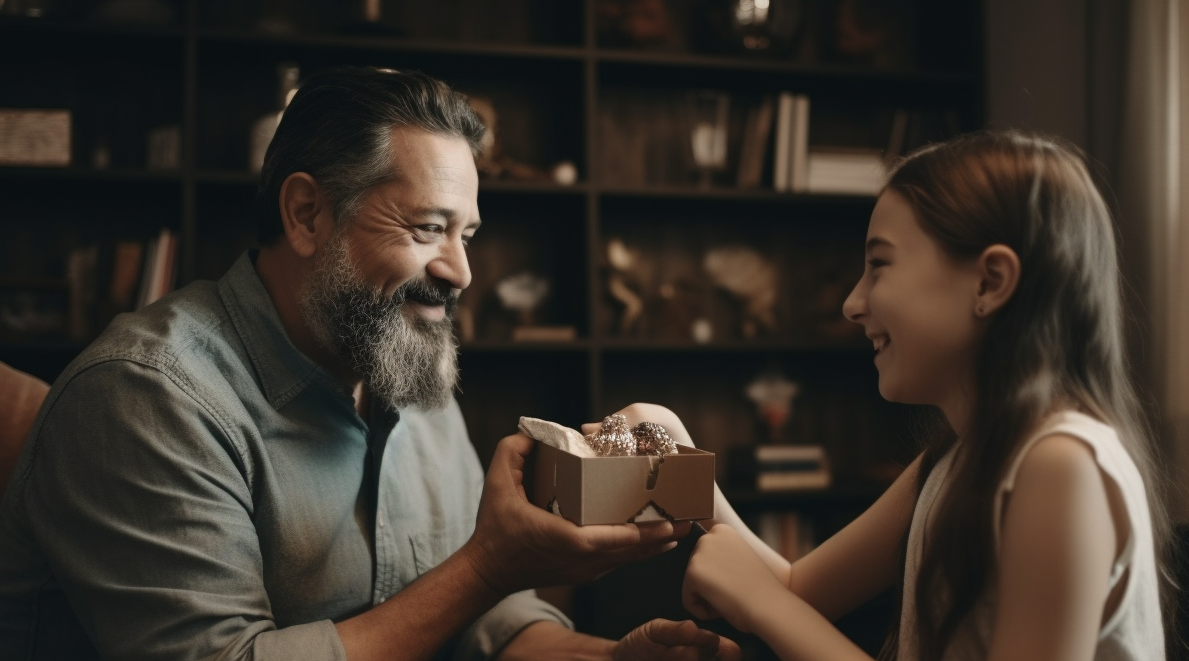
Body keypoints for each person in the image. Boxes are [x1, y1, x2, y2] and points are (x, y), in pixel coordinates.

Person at [0, 66, 740, 661]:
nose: (460, 271)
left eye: (468, 234)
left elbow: (486, 615)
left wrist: (593, 655)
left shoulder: (407, 370)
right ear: (305, 215)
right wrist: (488, 564)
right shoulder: (145, 396)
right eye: (427, 228)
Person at [679, 131, 1172, 660]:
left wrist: (758, 603)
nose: (851, 303)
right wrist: (678, 463)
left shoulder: (1061, 466)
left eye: (879, 265)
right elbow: (799, 589)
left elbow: (778, 600)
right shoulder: (957, 460)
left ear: (989, 282)